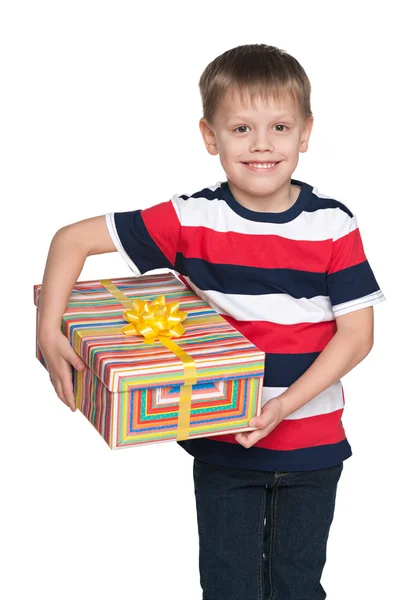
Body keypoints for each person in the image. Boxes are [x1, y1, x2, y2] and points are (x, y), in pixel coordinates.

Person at [37, 44, 386, 600]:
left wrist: (281, 408)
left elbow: (358, 336)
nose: (263, 143)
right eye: (241, 128)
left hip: (313, 446)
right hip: (224, 445)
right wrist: (48, 332)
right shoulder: (190, 217)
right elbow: (71, 240)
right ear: (210, 137)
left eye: (279, 126)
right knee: (229, 588)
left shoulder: (332, 224)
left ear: (306, 132)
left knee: (299, 587)